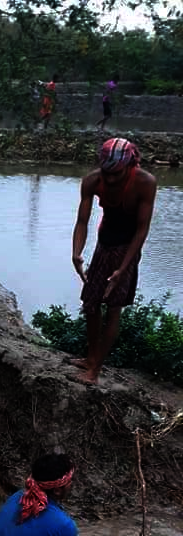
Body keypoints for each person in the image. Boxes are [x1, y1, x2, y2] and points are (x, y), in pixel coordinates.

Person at [71, 137, 157, 384]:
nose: (109, 179)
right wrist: (76, 253)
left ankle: (94, 371)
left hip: (126, 247)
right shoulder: (92, 181)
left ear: (130, 165)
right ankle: (89, 358)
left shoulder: (145, 183)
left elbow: (142, 230)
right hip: (104, 243)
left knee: (113, 307)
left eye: (116, 174)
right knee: (90, 302)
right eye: (106, 173)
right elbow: (82, 222)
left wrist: (123, 267)